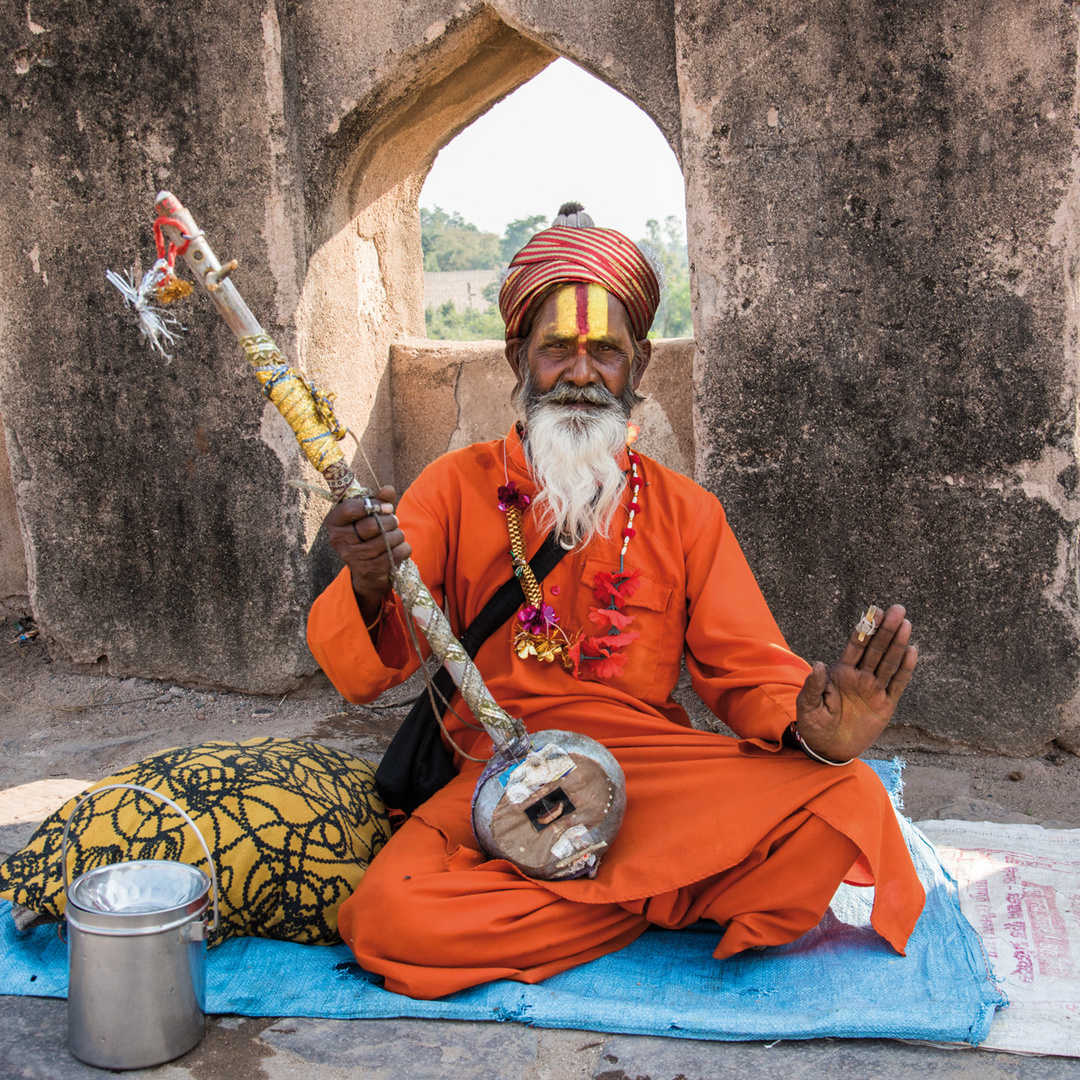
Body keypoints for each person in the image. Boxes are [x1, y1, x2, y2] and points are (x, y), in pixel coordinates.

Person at [306, 205, 924, 1001]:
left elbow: (749, 672)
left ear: (640, 367)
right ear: (516, 358)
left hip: (651, 778)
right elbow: (367, 668)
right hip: (500, 777)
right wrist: (363, 582)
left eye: (606, 351)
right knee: (389, 921)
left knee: (847, 798)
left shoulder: (687, 512)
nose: (581, 372)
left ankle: (613, 886)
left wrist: (819, 732)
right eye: (558, 348)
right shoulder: (453, 489)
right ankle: (656, 897)